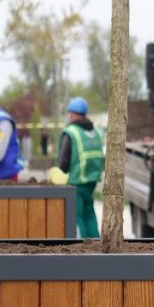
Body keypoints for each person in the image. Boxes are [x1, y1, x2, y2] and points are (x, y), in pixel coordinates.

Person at [54, 97, 104, 238]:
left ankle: (83, 248)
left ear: (72, 114)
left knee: (77, 216)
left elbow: (63, 163)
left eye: (69, 113)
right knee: (89, 212)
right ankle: (95, 244)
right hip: (92, 181)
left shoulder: (71, 132)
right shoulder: (96, 133)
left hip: (76, 182)